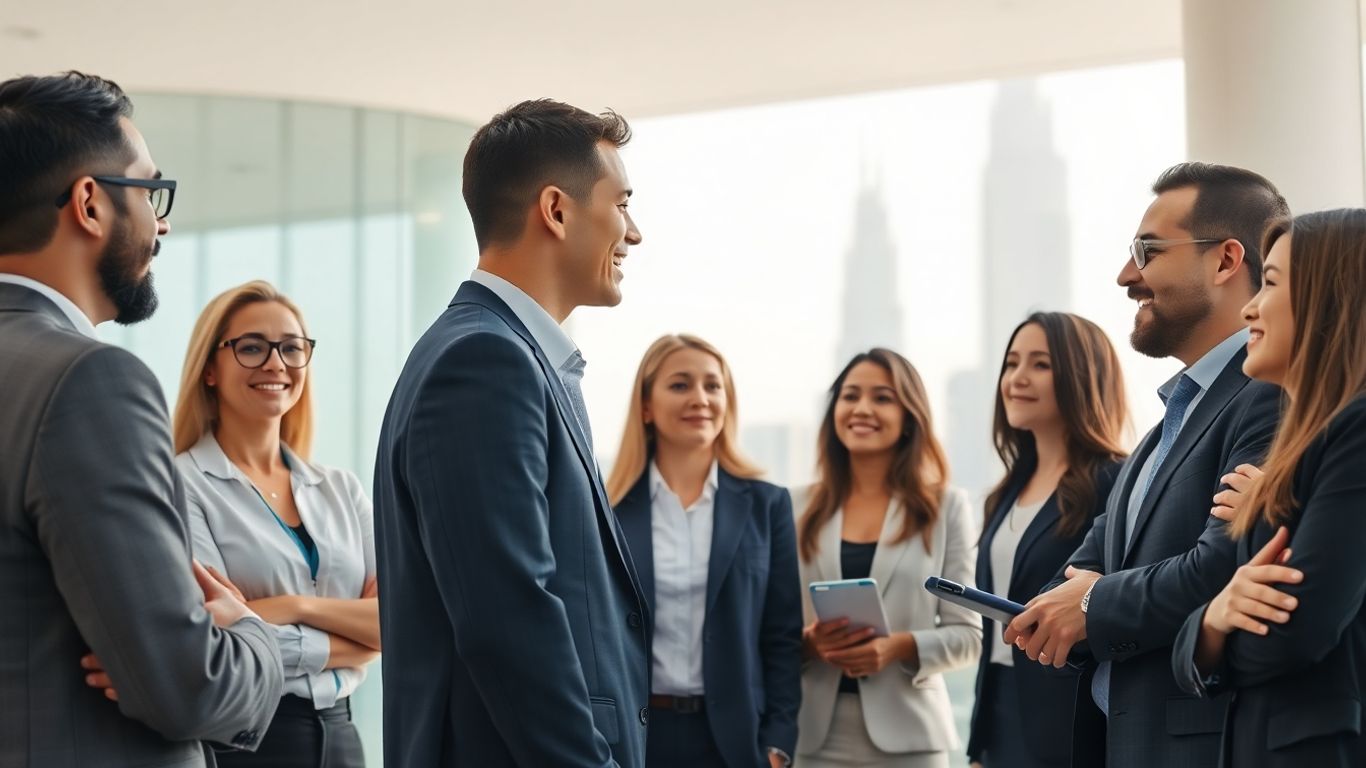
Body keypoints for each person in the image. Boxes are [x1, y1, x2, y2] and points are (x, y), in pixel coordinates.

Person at [0, 72, 282, 767]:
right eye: (150, 192)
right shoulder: (88, 381)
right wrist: (254, 637)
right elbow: (188, 685)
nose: (162, 223)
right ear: (90, 204)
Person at [372, 99, 649, 767]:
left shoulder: (512, 357)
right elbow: (509, 621)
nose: (634, 232)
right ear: (556, 210)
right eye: (622, 204)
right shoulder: (483, 363)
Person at [1004, 162, 1285, 768]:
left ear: (1225, 260)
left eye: (1148, 251)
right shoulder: (1166, 426)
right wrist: (1079, 597)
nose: (1126, 276)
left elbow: (1226, 564)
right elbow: (1083, 568)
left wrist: (1089, 603)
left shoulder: (1267, 396)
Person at [1170, 209, 1366, 766]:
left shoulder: (1355, 431)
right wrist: (1212, 617)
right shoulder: (1295, 456)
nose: (1250, 307)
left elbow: (1296, 632)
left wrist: (1211, 633)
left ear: (1333, 298)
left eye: (1272, 283)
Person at [168, 281, 377, 767]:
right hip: (247, 741)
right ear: (211, 369)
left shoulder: (340, 488)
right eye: (251, 348)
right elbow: (215, 643)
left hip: (342, 737)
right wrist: (357, 643)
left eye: (291, 348)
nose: (275, 363)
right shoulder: (181, 484)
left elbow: (402, 620)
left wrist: (286, 606)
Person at [606, 334, 802, 768]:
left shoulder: (768, 505)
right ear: (645, 406)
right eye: (680, 385)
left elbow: (782, 637)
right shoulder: (607, 510)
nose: (700, 398)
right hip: (635, 739)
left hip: (736, 745)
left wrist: (777, 744)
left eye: (713, 386)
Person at [794, 348, 980, 768]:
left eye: (882, 397)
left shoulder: (946, 508)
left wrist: (898, 647)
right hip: (811, 741)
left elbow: (968, 637)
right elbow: (764, 633)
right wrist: (808, 642)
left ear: (909, 415)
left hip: (912, 742)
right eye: (850, 395)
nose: (862, 408)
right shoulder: (792, 507)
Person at [967, 312, 1128, 768]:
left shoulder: (1114, 480)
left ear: (1081, 376)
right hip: (998, 716)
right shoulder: (1005, 493)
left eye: (1040, 364)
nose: (1016, 378)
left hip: (1068, 723)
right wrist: (979, 745)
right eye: (1011, 363)